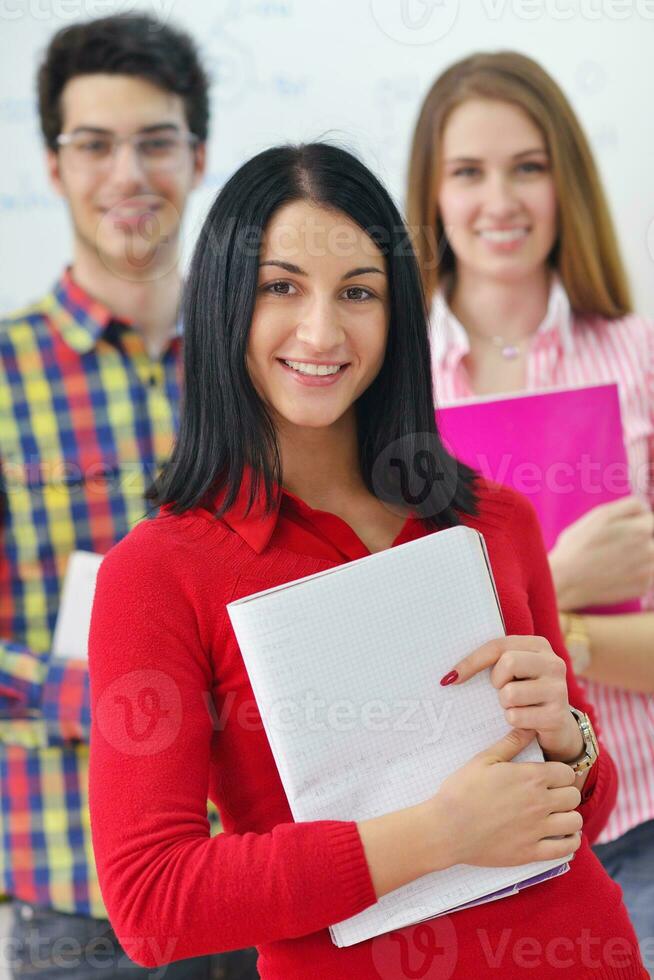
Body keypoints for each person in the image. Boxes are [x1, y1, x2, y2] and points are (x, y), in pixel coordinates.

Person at [87, 141, 646, 979]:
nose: (322, 330)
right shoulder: (156, 575)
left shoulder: (496, 519)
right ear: (222, 303)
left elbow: (580, 823)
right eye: (282, 287)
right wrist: (434, 836)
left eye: (359, 292)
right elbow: (153, 905)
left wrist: (566, 738)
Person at [0, 13, 257, 979]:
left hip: (270, 870)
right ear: (54, 166)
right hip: (82, 903)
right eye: (94, 144)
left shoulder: (271, 362)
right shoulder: (5, 373)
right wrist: (118, 696)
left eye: (155, 142)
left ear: (197, 157)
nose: (128, 175)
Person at [406, 50, 654, 972]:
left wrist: (564, 637)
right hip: (462, 851)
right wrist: (565, 583)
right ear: (431, 194)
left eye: (528, 166)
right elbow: (408, 656)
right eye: (468, 172)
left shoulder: (639, 359)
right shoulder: (385, 388)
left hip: (637, 825)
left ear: (567, 182)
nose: (499, 200)